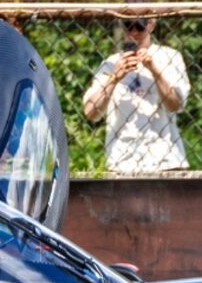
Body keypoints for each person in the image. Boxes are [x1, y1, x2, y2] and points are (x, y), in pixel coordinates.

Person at [81, 14, 190, 171]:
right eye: (127, 25)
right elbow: (90, 112)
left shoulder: (170, 56)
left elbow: (175, 105)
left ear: (151, 25)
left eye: (140, 25)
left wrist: (154, 70)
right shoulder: (111, 63)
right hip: (122, 162)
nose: (133, 32)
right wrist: (114, 78)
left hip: (166, 159)